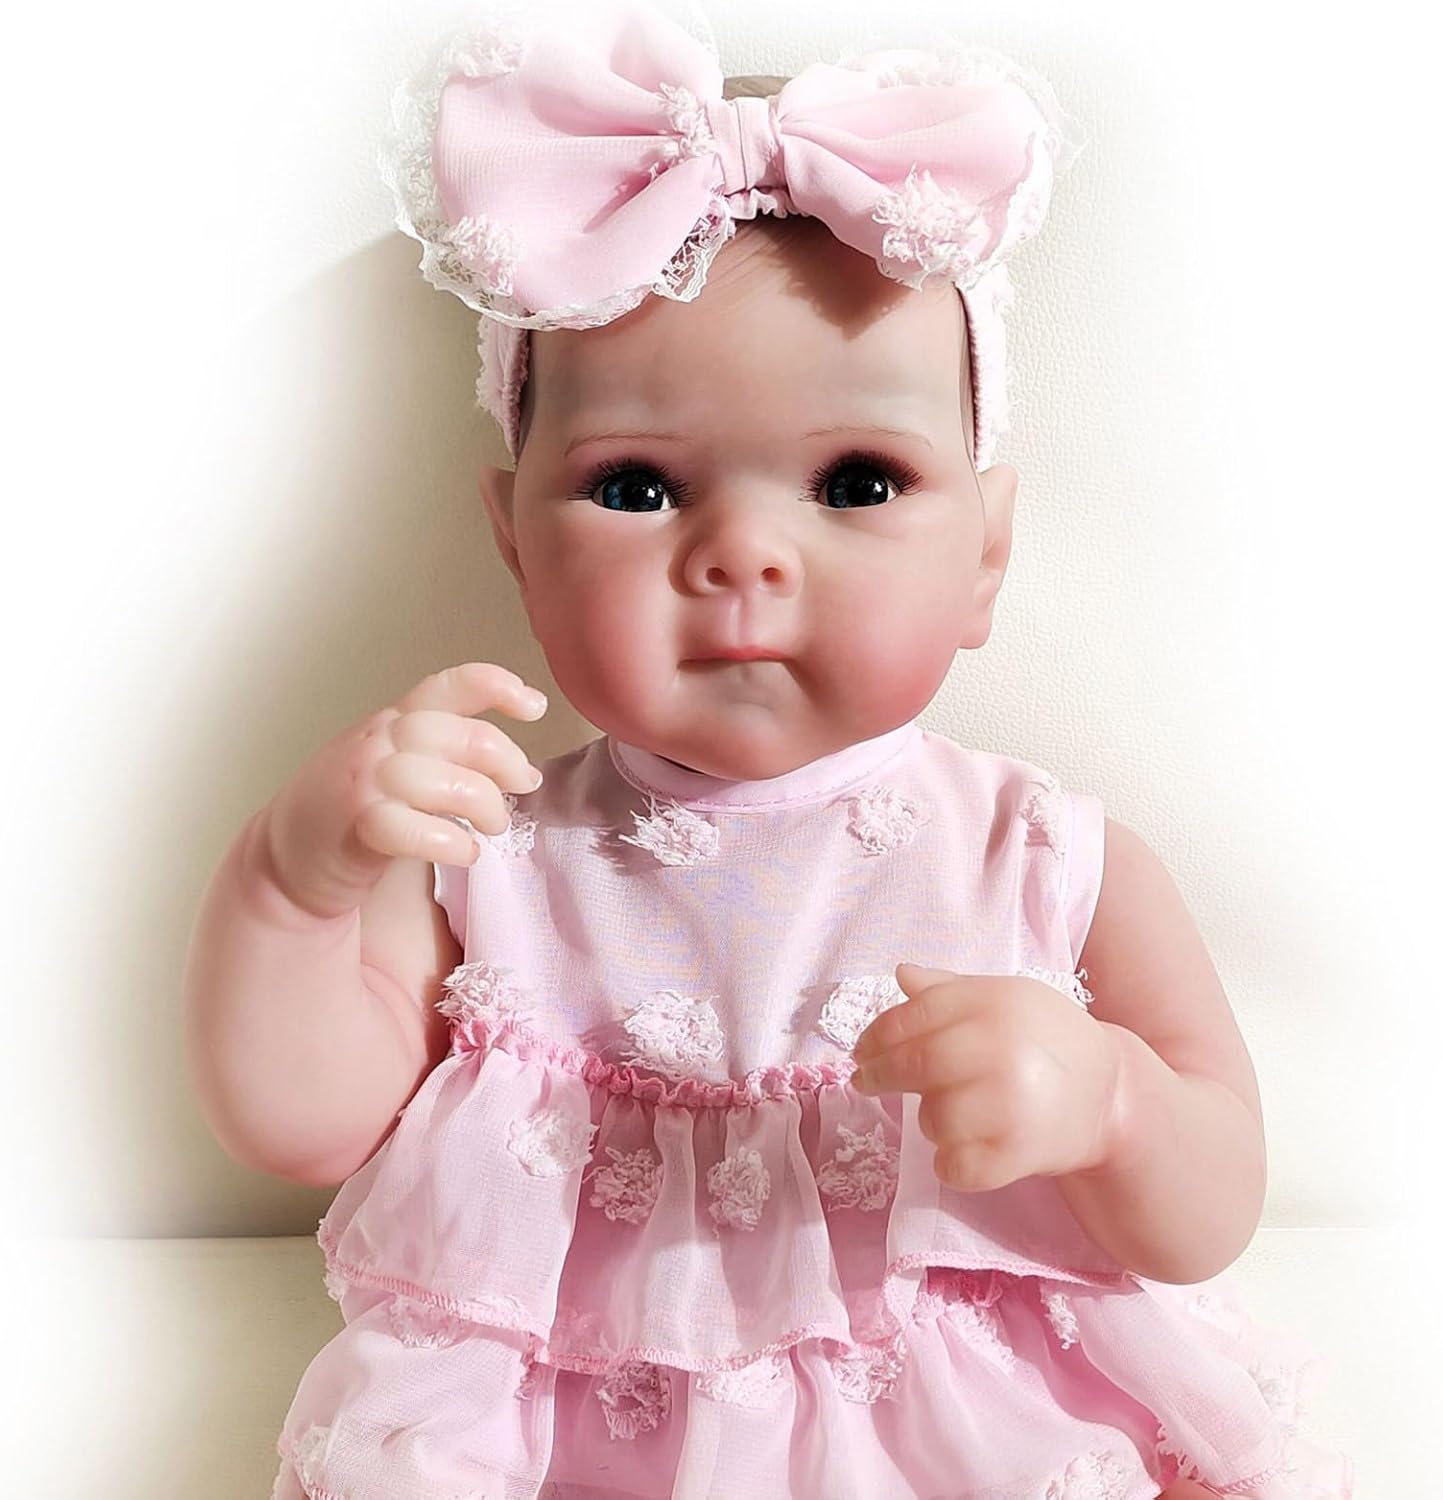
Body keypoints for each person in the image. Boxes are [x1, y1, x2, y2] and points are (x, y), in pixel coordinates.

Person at [181, 2, 1357, 1495]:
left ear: (988, 553)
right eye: (636, 487)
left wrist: (1110, 1102)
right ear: (515, 545)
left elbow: (1211, 1211)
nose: (743, 554)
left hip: (969, 1431)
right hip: (574, 1442)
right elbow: (301, 1121)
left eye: (857, 481)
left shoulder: (1045, 862)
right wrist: (293, 885)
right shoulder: (495, 861)